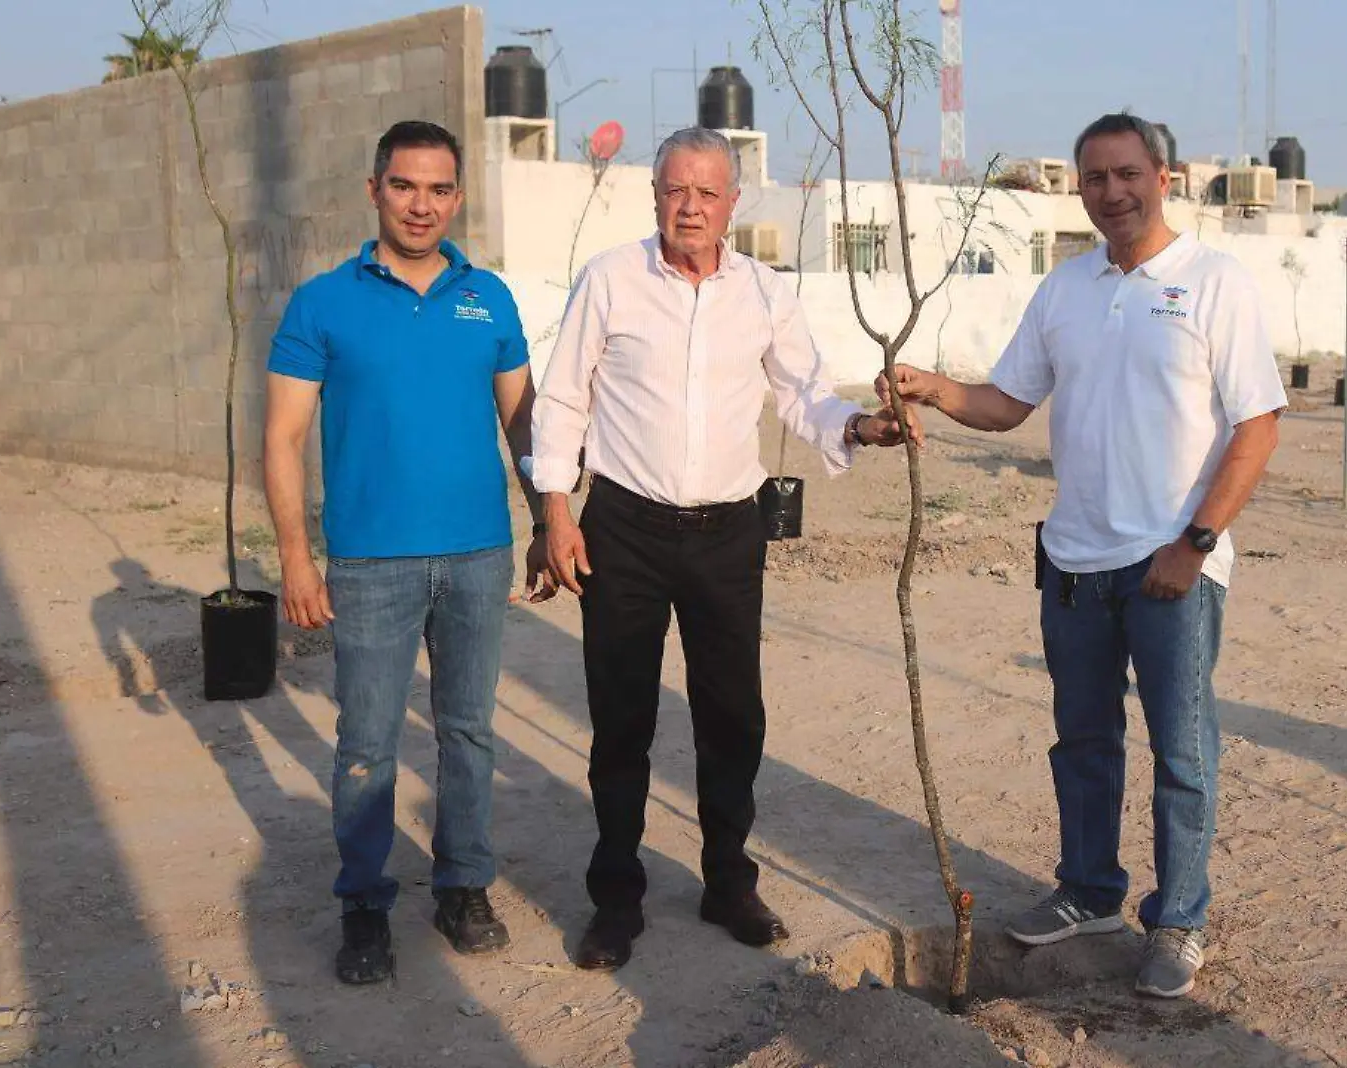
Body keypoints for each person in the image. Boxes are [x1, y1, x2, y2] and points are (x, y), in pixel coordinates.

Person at [876, 113, 1286, 999]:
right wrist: (937, 390)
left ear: (1163, 177)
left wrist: (1195, 541)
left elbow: (1258, 423)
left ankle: (1177, 922)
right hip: (1073, 560)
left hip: (1171, 563)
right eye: (1095, 178)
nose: (1112, 192)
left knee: (1183, 750)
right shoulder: (1063, 290)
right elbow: (1008, 404)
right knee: (1085, 741)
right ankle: (1091, 891)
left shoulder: (1216, 284)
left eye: (1128, 174)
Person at [527, 126, 916, 972]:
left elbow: (802, 394)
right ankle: (617, 896)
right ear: (655, 197)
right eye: (676, 191)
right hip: (622, 528)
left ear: (734, 203)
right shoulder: (611, 280)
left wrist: (857, 425)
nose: (691, 207)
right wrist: (556, 512)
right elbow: (561, 401)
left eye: (707, 192)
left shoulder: (766, 293)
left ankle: (726, 881)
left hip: (727, 532)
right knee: (621, 716)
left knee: (732, 715)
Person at [263, 119, 551, 985]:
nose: (421, 205)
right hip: (370, 563)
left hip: (476, 555)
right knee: (367, 741)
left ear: (457, 197)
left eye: (438, 189)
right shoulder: (323, 301)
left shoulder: (488, 297)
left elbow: (524, 421)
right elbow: (283, 438)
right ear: (374, 190)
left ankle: (463, 885)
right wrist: (294, 559)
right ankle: (363, 903)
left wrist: (548, 520)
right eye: (404, 186)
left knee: (468, 731)